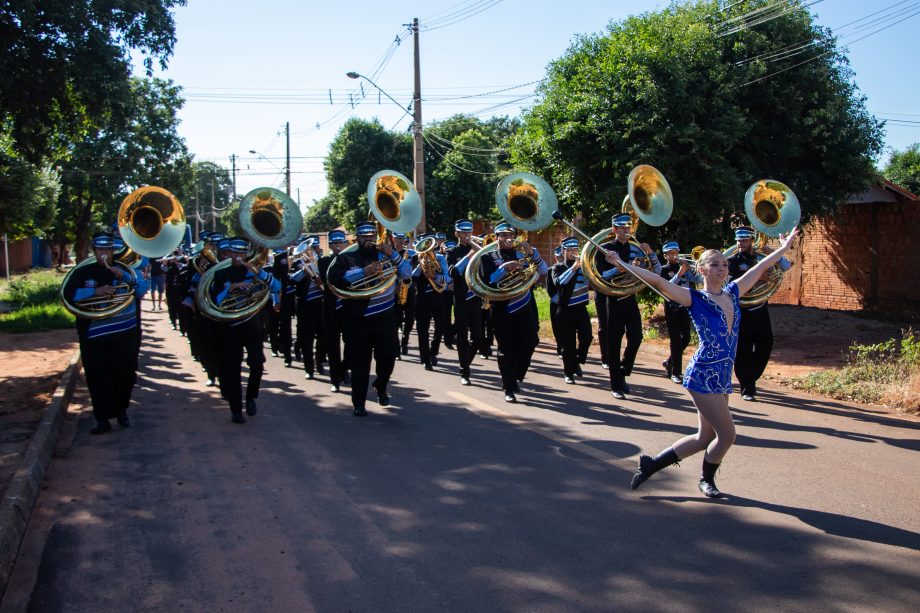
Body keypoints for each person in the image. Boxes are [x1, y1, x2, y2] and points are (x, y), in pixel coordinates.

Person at [618, 227, 798, 497]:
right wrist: (619, 262)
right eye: (715, 264)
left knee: (705, 437)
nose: (723, 268)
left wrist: (783, 249)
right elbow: (658, 282)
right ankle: (706, 480)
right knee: (727, 435)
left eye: (725, 264)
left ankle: (652, 464)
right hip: (702, 374)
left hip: (723, 375)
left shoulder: (733, 292)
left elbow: (760, 268)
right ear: (702, 269)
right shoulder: (695, 298)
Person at [327, 221, 412, 416]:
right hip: (357, 318)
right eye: (364, 236)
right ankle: (359, 402)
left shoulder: (386, 254)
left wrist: (393, 254)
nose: (368, 239)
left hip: (385, 316)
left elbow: (406, 274)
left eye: (371, 235)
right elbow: (335, 278)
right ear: (356, 237)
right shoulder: (346, 256)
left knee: (388, 357)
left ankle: (381, 386)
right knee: (359, 363)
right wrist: (363, 272)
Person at [63, 232, 139, 434]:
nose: (104, 254)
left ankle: (122, 410)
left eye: (107, 250)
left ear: (113, 251)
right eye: (100, 250)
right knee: (98, 377)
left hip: (123, 332)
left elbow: (139, 292)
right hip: (93, 334)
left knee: (125, 374)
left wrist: (125, 279)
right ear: (94, 250)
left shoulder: (124, 270)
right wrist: (94, 292)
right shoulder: (82, 272)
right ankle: (102, 419)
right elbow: (68, 296)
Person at [210, 237, 281, 423]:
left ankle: (250, 397)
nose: (238, 256)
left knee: (257, 364)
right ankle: (236, 410)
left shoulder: (254, 272)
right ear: (230, 254)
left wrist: (261, 274)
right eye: (235, 253)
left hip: (252, 325)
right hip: (231, 327)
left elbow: (277, 287)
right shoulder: (220, 274)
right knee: (232, 369)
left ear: (246, 254)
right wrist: (232, 288)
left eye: (242, 253)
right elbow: (215, 301)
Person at [476, 222, 548, 403]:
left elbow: (543, 270)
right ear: (497, 237)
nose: (509, 239)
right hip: (501, 308)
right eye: (504, 236)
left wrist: (533, 253)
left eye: (511, 235)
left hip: (525, 304)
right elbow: (487, 283)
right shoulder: (488, 257)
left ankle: (515, 375)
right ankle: (508, 386)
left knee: (530, 342)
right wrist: (503, 270)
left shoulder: (522, 254)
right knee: (506, 348)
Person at [593, 213, 661, 399]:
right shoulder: (605, 249)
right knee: (613, 344)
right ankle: (616, 385)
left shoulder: (636, 249)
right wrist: (617, 267)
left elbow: (656, 272)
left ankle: (623, 371)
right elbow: (599, 277)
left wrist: (651, 254)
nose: (625, 231)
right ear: (614, 229)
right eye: (621, 228)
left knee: (637, 338)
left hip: (630, 298)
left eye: (628, 227)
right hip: (612, 300)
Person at [728, 227, 792, 401]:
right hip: (741, 311)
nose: (740, 244)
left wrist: (771, 251)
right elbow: (730, 285)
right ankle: (747, 388)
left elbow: (786, 266)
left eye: (744, 241)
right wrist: (758, 277)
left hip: (761, 309)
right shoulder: (732, 261)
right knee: (743, 350)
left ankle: (750, 377)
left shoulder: (762, 259)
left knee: (766, 344)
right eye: (738, 241)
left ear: (752, 241)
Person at [551, 237, 593, 384]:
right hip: (565, 310)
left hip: (581, 309)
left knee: (587, 338)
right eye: (569, 250)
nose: (573, 253)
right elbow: (559, 282)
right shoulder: (558, 267)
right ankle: (568, 373)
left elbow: (595, 279)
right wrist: (574, 268)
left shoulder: (584, 267)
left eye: (575, 250)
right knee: (568, 344)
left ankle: (577, 360)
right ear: (563, 251)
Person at [447, 220, 483, 385]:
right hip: (461, 298)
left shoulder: (479, 250)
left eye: (469, 232)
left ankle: (465, 364)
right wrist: (469, 256)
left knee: (478, 337)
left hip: (475, 297)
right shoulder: (452, 252)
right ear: (457, 234)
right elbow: (453, 273)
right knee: (462, 336)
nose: (467, 235)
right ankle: (464, 372)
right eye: (463, 233)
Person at [659, 241, 700, 384]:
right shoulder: (664, 269)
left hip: (686, 306)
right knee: (676, 340)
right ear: (665, 255)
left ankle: (669, 361)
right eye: (671, 253)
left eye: (676, 252)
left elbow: (699, 279)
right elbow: (666, 286)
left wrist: (698, 269)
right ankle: (676, 372)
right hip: (672, 306)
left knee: (687, 338)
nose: (675, 255)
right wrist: (680, 273)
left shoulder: (686, 268)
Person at [411, 233, 449, 371]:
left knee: (440, 326)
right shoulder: (415, 258)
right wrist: (421, 265)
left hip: (438, 296)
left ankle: (433, 352)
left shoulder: (440, 258)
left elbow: (447, 278)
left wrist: (434, 276)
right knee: (422, 330)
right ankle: (425, 359)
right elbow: (412, 277)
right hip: (421, 299)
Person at [318, 230, 350, 392]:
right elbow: (330, 277)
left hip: (348, 308)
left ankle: (344, 369)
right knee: (332, 345)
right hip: (331, 308)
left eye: (341, 243)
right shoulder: (324, 261)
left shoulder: (351, 259)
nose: (338, 246)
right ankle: (335, 379)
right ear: (330, 245)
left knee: (352, 344)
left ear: (345, 244)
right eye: (335, 244)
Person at [291, 241, 324, 378]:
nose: (307, 254)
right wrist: (303, 271)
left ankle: (319, 361)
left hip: (320, 303)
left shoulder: (321, 262)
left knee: (323, 336)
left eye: (309, 250)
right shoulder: (296, 264)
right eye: (305, 251)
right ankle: (309, 369)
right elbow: (291, 280)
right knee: (306, 339)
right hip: (304, 304)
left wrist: (318, 275)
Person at [546, 246, 564, 358]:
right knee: (557, 327)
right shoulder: (551, 269)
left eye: (561, 256)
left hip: (568, 303)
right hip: (556, 302)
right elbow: (550, 289)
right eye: (558, 256)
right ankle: (560, 347)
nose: (560, 258)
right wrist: (557, 299)